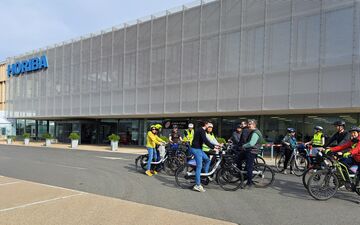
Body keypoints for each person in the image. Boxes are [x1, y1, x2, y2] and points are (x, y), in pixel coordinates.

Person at [191, 121, 217, 192]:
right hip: (196, 149)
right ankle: (197, 185)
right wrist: (213, 147)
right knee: (199, 166)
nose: (209, 126)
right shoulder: (201, 130)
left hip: (199, 149)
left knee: (207, 160)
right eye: (209, 124)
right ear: (205, 124)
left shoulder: (201, 130)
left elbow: (208, 140)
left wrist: (216, 145)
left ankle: (205, 175)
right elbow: (205, 141)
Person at [242, 119, 263, 189]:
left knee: (249, 167)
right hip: (252, 151)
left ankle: (249, 182)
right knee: (245, 164)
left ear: (254, 125)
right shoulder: (254, 131)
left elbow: (251, 143)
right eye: (248, 124)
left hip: (252, 151)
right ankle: (244, 178)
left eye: (249, 124)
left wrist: (244, 146)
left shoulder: (255, 133)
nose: (248, 125)